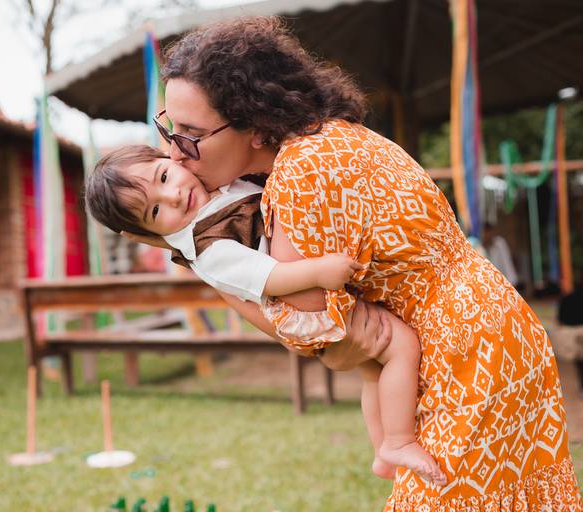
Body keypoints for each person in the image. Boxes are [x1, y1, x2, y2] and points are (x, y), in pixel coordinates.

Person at [124, 16, 580, 511]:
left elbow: (315, 330)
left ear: (254, 125)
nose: (175, 152)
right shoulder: (330, 137)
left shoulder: (300, 175)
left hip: (466, 358)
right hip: (494, 334)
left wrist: (202, 260)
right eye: (168, 128)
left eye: (190, 135)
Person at [86, 145, 448, 484]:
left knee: (373, 371)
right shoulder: (207, 248)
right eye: (155, 211)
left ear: (170, 158)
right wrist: (319, 271)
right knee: (401, 346)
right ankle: (399, 441)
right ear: (148, 233)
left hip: (303, 295)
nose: (174, 196)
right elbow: (268, 279)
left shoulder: (216, 195)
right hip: (297, 304)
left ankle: (381, 449)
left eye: (163, 177)